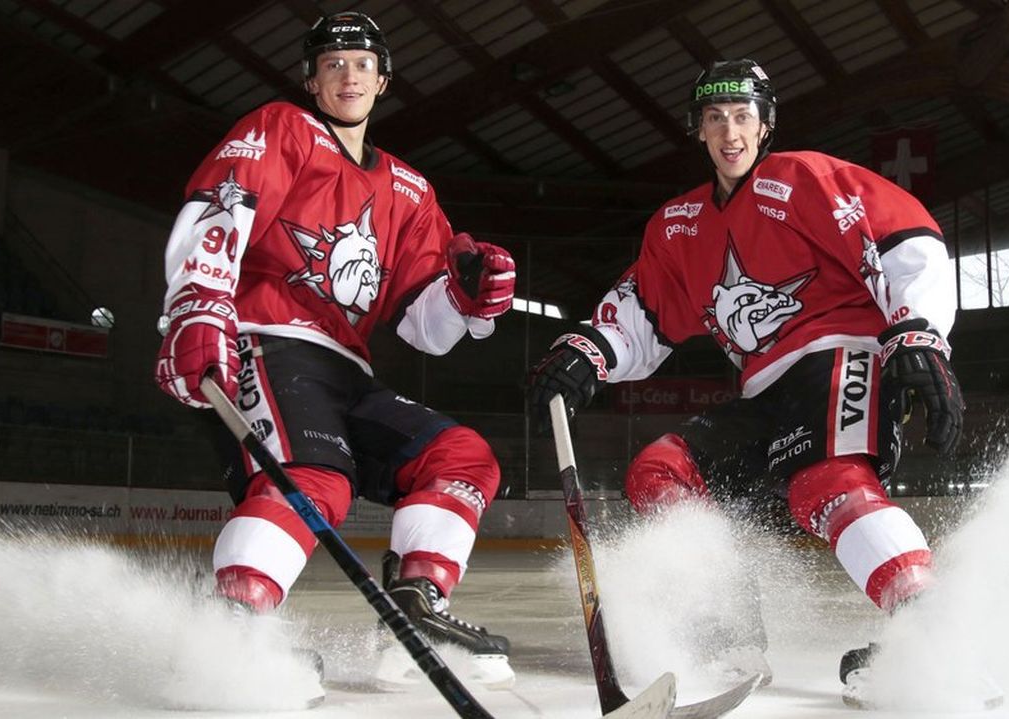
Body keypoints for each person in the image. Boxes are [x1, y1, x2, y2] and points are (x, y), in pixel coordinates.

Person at [526, 59, 965, 702]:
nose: (729, 132)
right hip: (764, 389)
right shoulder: (679, 226)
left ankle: (930, 631)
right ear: (697, 130)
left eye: (742, 116)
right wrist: (589, 351)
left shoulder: (804, 178)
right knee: (661, 472)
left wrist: (918, 330)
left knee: (828, 478)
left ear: (765, 125)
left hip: (843, 354)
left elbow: (902, 243)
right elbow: (643, 315)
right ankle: (731, 632)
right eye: (714, 119)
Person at [154, 11, 516, 690]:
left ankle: (417, 605)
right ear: (310, 79)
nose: (348, 75)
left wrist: (468, 298)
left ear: (384, 81)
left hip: (346, 368)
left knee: (461, 455)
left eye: (362, 64)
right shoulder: (282, 129)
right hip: (269, 339)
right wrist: (197, 303)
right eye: (332, 64)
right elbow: (220, 205)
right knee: (315, 478)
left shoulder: (409, 189)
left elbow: (422, 325)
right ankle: (231, 626)